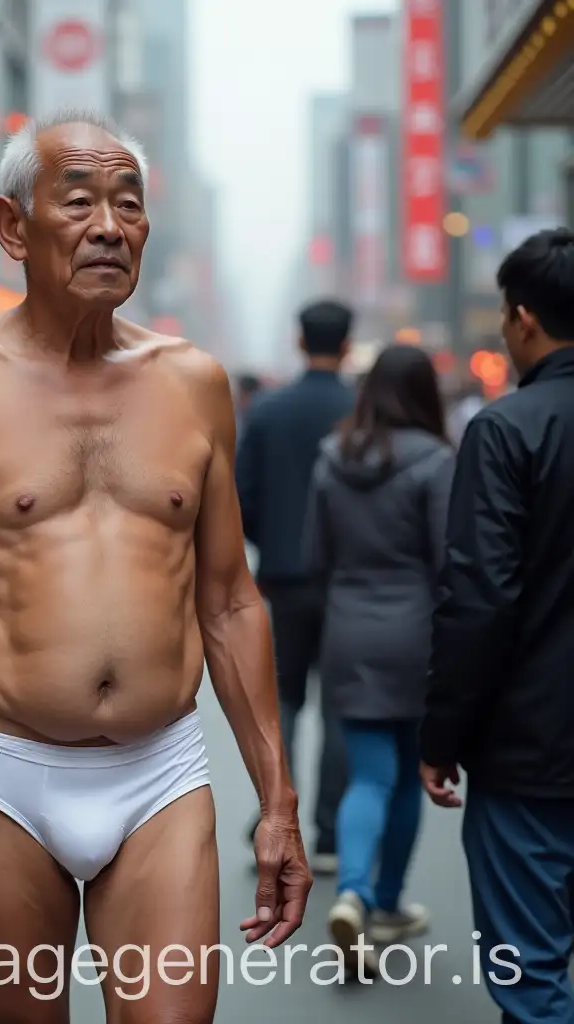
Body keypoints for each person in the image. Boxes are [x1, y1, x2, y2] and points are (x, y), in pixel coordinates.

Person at [0, 110, 310, 1024]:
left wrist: (278, 800)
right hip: (1, 775)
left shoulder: (193, 380)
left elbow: (230, 601)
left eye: (129, 203)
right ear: (12, 227)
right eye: (79, 201)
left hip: (161, 772)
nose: (110, 225)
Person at [420, 228, 574, 1023]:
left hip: (533, 752)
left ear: (521, 319)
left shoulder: (509, 430)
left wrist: (441, 736)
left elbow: (479, 597)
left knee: (533, 976)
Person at [304, 344, 454, 973]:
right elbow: (451, 559)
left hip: (349, 629)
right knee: (410, 771)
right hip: (416, 632)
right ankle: (386, 901)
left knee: (368, 774)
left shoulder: (331, 459)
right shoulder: (438, 461)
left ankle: (353, 895)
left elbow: (315, 556)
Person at [234, 299, 355, 873]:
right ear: (348, 345)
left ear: (299, 340)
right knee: (338, 705)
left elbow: (244, 497)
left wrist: (274, 541)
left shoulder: (268, 410)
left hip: (283, 578)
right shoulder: (362, 411)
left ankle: (275, 816)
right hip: (348, 581)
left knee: (279, 705)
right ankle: (331, 831)